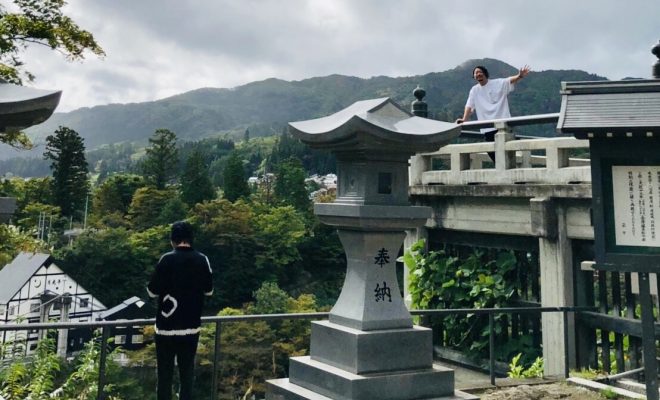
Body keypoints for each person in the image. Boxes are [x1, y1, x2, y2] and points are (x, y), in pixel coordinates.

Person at [147, 221, 213, 400]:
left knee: (164, 375)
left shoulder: (166, 259)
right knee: (187, 374)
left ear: (172, 240)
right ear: (191, 239)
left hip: (166, 327)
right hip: (191, 326)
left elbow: (152, 291)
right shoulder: (202, 259)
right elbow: (209, 290)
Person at [455, 65, 531, 160]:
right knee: (495, 156)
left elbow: (509, 81)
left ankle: (509, 173)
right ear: (474, 77)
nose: (478, 74)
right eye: (475, 73)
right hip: (487, 128)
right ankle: (504, 173)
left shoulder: (497, 83)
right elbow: (469, 106)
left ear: (485, 73)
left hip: (504, 126)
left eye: (480, 72)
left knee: (507, 156)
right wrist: (464, 119)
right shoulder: (474, 90)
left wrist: (520, 76)